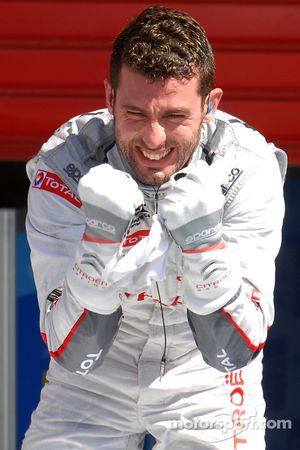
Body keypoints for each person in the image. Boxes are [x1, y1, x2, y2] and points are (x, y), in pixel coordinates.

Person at [22, 5, 287, 450]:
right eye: (136, 114)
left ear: (210, 106)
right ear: (109, 99)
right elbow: (74, 356)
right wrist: (98, 249)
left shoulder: (247, 168)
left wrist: (205, 249)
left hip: (206, 384)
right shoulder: (66, 166)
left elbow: (234, 352)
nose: (154, 139)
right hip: (92, 386)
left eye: (174, 116)